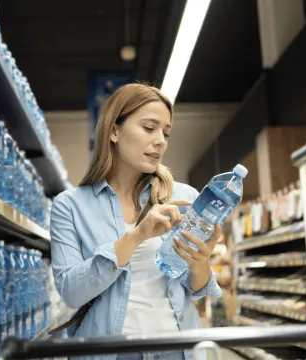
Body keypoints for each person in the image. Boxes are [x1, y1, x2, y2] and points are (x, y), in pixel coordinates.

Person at [50, 83, 226, 360]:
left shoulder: (183, 197)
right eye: (149, 128)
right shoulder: (70, 206)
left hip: (177, 350)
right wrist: (136, 236)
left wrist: (201, 261)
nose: (160, 141)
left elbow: (195, 289)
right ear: (114, 130)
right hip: (113, 353)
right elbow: (72, 292)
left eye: (166, 133)